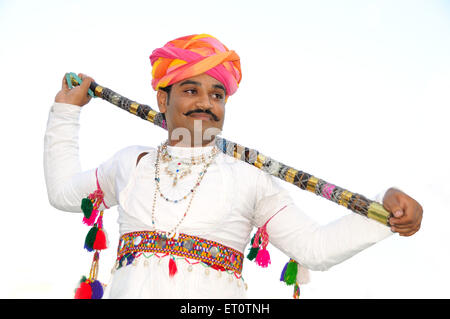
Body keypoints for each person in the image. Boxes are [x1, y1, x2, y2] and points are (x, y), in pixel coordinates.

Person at [44, 34, 423, 299]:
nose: (206, 102)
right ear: (163, 99)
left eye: (217, 94)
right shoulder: (130, 164)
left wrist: (383, 208)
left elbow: (315, 247)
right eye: (191, 90)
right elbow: (63, 194)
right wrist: (66, 109)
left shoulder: (249, 177)